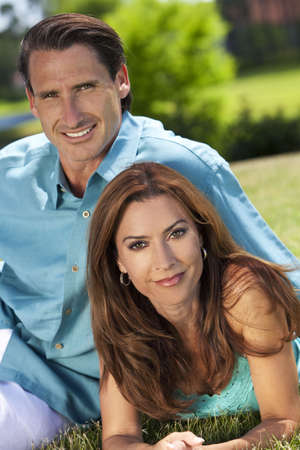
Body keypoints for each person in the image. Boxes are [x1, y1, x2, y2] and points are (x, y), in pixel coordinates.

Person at [0, 12, 299, 450]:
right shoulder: (8, 179)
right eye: (50, 94)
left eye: (85, 86)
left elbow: (279, 282)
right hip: (38, 377)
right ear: (31, 100)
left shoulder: (181, 168)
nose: (70, 113)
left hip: (154, 376)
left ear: (120, 80)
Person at [87, 161, 300, 450]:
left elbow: (284, 418)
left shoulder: (245, 293)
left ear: (200, 232)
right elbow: (118, 436)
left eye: (176, 233)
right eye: (139, 245)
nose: (164, 261)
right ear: (118, 261)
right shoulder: (119, 318)